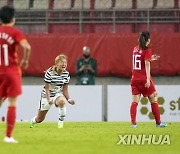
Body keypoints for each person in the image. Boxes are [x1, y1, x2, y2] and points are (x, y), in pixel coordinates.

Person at [0, 6, 31, 143]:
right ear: (13, 18)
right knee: (12, 103)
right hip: (11, 71)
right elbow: (27, 47)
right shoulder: (14, 32)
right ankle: (8, 136)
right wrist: (25, 60)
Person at [130, 32, 167, 128]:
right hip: (143, 79)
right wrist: (147, 79)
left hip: (134, 79)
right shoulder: (147, 50)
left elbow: (141, 59)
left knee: (135, 102)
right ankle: (158, 123)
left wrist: (150, 58)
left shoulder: (135, 49)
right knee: (153, 98)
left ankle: (133, 124)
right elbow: (146, 65)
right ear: (148, 40)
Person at [30, 54, 75, 129]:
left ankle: (60, 125)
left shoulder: (66, 74)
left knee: (62, 102)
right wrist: (48, 99)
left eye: (65, 63)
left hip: (57, 94)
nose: (64, 64)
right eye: (62, 62)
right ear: (57, 64)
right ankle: (33, 121)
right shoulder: (49, 73)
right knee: (40, 119)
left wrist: (69, 99)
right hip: (46, 95)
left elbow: (65, 89)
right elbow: (47, 89)